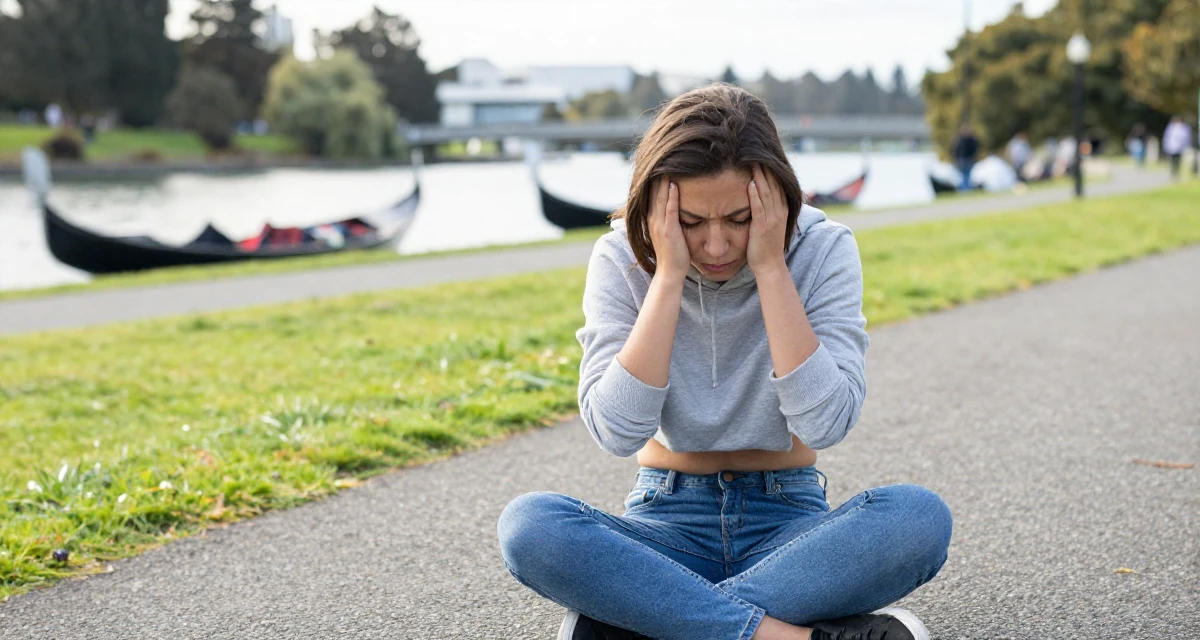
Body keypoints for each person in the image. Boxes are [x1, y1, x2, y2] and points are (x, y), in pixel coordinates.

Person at [497, 84, 952, 640]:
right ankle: (794, 634)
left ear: (776, 199)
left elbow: (825, 423)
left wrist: (770, 269)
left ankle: (650, 621)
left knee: (918, 518)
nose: (715, 247)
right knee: (529, 526)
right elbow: (617, 431)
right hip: (666, 522)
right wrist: (665, 277)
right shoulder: (621, 257)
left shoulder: (823, 249)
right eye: (690, 222)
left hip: (789, 522)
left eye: (738, 218)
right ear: (657, 206)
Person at [1162, 116, 1193, 180]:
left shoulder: (1184, 127)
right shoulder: (1171, 127)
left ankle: (1176, 172)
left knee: (1178, 160)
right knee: (1173, 160)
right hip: (1173, 147)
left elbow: (1186, 137)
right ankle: (1173, 172)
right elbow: (1168, 137)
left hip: (1180, 147)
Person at [950, 123, 979, 190]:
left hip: (967, 159)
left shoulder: (965, 140)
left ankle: (966, 189)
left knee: (966, 176)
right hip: (963, 160)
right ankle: (966, 189)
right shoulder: (963, 140)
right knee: (964, 176)